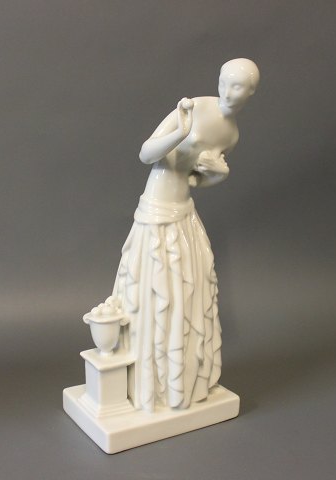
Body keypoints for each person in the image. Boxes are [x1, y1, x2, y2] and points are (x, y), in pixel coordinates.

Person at [112, 58, 260, 412]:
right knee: (153, 290)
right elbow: (146, 153)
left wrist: (218, 173)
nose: (229, 92)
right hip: (156, 208)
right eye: (225, 82)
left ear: (250, 93)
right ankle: (147, 383)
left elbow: (196, 180)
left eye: (239, 87)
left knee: (188, 293)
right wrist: (179, 132)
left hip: (184, 212)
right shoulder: (192, 109)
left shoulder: (231, 135)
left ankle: (178, 383)